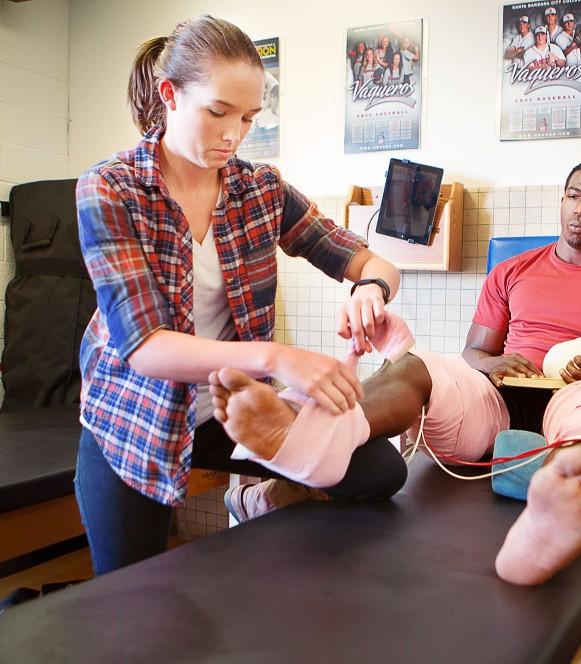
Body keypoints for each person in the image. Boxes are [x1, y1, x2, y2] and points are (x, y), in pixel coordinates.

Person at [212, 158, 581, 586]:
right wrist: (494, 363)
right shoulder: (513, 272)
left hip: (576, 401)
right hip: (499, 404)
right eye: (573, 195)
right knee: (422, 365)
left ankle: (559, 501)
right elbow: (473, 354)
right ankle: (309, 429)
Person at [74, 15, 407, 575]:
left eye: (249, 118)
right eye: (218, 112)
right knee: (127, 599)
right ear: (169, 95)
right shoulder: (110, 188)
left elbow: (372, 262)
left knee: (379, 473)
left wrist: (369, 289)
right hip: (137, 416)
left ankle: (260, 500)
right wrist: (279, 358)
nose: (233, 135)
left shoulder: (260, 189)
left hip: (231, 410)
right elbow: (147, 349)